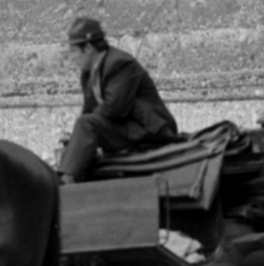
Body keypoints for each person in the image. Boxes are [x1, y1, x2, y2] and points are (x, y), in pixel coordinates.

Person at [56, 17, 179, 183]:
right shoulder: (88, 74)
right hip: (125, 128)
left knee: (86, 125)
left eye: (73, 51)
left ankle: (66, 182)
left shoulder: (120, 63)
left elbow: (115, 108)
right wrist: (76, 139)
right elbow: (88, 110)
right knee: (72, 146)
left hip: (147, 129)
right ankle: (68, 181)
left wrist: (84, 130)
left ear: (88, 48)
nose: (71, 57)